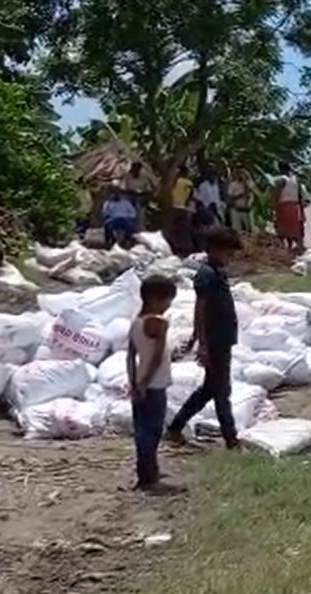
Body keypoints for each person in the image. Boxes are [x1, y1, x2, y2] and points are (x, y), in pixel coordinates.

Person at [166, 227, 243, 450]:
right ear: (215, 249)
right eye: (228, 253)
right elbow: (200, 310)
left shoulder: (218, 272)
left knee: (210, 389)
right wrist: (201, 343)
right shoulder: (206, 275)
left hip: (223, 339)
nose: (231, 258)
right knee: (221, 392)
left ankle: (175, 427)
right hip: (215, 340)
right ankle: (231, 440)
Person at [126, 275, 177, 492]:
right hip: (154, 385)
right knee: (152, 431)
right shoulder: (159, 323)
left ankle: (146, 472)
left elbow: (130, 356)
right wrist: (146, 384)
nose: (168, 306)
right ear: (156, 299)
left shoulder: (135, 323)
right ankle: (149, 478)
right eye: (167, 300)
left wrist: (134, 383)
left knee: (141, 430)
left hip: (140, 384)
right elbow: (156, 357)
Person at [273, 162, 306, 253]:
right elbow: (300, 197)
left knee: (282, 229)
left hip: (283, 206)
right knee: (293, 229)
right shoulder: (296, 180)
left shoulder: (281, 180)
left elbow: (277, 195)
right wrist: (302, 212)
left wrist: (273, 207)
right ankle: (292, 248)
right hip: (294, 207)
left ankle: (285, 249)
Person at [120, 161, 155, 230]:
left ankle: (140, 228)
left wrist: (146, 194)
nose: (134, 172)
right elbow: (124, 186)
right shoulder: (128, 175)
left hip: (140, 196)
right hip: (129, 195)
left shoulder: (144, 176)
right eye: (133, 169)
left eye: (136, 169)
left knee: (140, 214)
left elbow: (148, 188)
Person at [169, 167, 194, 255]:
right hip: (183, 208)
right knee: (184, 229)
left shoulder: (173, 182)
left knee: (174, 228)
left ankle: (175, 246)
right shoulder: (188, 182)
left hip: (173, 207)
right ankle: (184, 247)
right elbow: (191, 194)